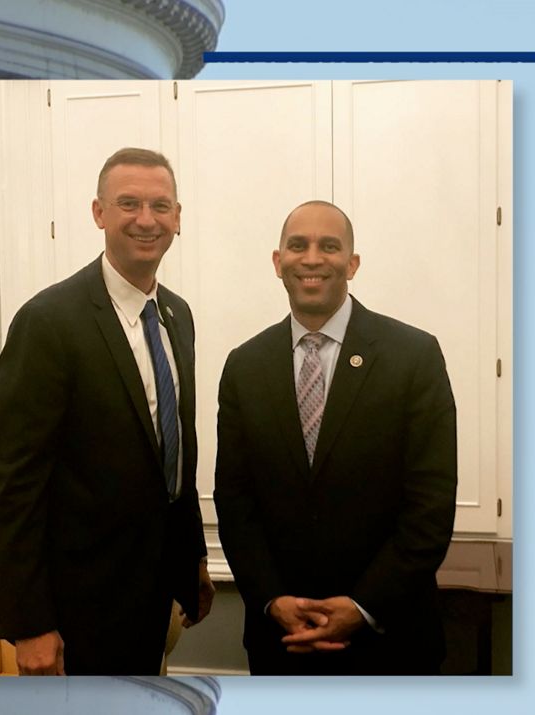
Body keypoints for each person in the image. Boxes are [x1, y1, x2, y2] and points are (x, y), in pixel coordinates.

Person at [0, 147, 214, 675]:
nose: (146, 219)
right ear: (98, 213)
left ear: (178, 217)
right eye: (128, 203)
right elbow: (14, 484)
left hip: (154, 592)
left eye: (161, 206)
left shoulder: (178, 316)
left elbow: (175, 452)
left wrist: (193, 557)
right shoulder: (48, 323)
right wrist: (29, 623)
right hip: (75, 608)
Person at [214, 200, 457, 675]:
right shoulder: (244, 366)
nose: (312, 258)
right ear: (277, 261)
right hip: (282, 641)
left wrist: (361, 606)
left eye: (329, 246)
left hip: (389, 641)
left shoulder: (413, 356)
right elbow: (235, 502)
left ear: (353, 263)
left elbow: (429, 507)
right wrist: (274, 600)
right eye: (297, 245)